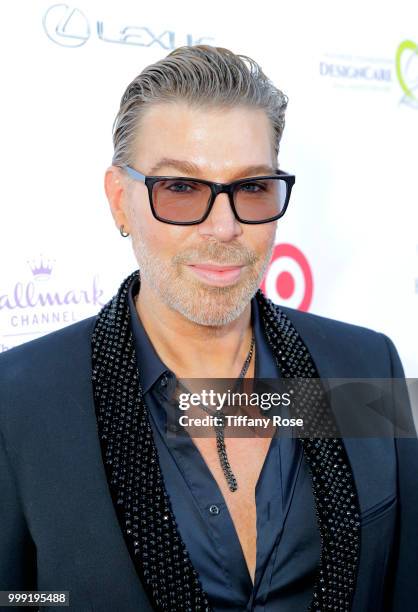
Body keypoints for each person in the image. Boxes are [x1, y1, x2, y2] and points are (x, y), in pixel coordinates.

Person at [0, 45, 417, 612]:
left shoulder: (365, 365)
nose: (224, 227)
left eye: (251, 188)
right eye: (180, 188)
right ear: (120, 201)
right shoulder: (20, 400)